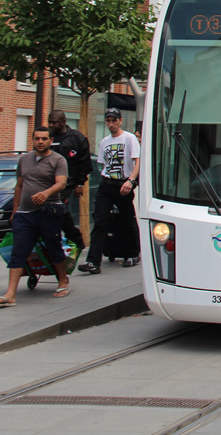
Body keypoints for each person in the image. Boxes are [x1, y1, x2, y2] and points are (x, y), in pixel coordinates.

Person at [0, 127, 71, 306]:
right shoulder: (24, 159)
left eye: (44, 139)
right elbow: (19, 185)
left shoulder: (58, 160)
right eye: (37, 139)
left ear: (50, 140)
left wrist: (46, 194)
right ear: (32, 140)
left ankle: (63, 281)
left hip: (49, 210)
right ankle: (10, 294)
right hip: (25, 213)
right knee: (19, 249)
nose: (40, 142)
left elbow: (61, 183)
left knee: (53, 245)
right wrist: (15, 210)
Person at [78, 109, 141, 274]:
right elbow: (104, 164)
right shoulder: (104, 142)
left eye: (114, 121)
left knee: (127, 219)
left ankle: (133, 253)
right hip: (107, 184)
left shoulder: (129, 138)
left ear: (120, 121)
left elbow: (137, 162)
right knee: (99, 221)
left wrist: (131, 181)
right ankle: (93, 261)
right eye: (108, 121)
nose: (111, 124)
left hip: (123, 184)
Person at [47, 110, 92, 253]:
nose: (52, 125)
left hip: (68, 184)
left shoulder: (76, 138)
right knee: (56, 213)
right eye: (50, 123)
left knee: (60, 211)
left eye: (55, 123)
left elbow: (84, 163)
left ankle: (75, 241)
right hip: (48, 183)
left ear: (64, 122)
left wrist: (80, 184)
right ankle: (69, 241)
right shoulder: (47, 137)